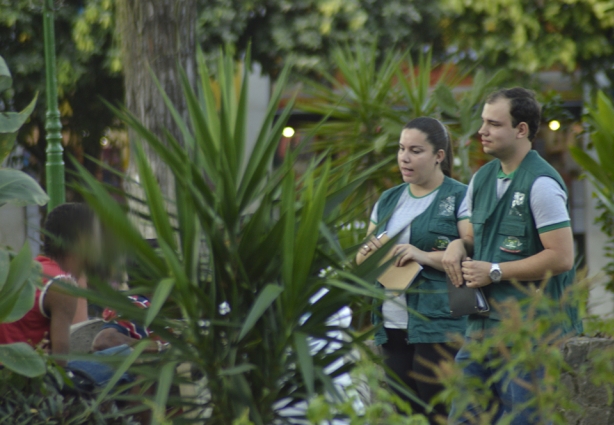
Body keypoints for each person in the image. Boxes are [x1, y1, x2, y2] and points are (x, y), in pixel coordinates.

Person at [442, 87, 583, 424]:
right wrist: (457, 245)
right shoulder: (482, 178)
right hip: (481, 329)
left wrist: (494, 271)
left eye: (493, 124)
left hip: (531, 334)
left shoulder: (542, 184)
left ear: (521, 130)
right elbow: (475, 238)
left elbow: (562, 257)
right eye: (482, 123)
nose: (482, 131)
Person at [357, 117, 470, 422]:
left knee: (439, 410)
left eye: (416, 150)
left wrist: (421, 255)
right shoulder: (388, 200)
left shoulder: (459, 195)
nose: (404, 157)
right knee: (406, 411)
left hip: (438, 318)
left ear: (439, 156)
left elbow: (470, 247)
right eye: (401, 148)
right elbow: (364, 255)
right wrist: (365, 254)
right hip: (392, 320)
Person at [0, 203, 95, 364]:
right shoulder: (62, 285)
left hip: (9, 378)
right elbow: (60, 363)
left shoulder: (26, 269)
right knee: (127, 357)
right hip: (30, 381)